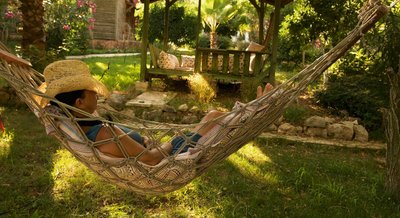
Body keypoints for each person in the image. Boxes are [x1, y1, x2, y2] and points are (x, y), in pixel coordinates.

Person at [41, 60, 273, 166]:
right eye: (92, 91)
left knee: (212, 115)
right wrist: (171, 142)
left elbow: (142, 152)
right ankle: (255, 110)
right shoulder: (103, 132)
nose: (97, 94)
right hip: (173, 157)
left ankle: (253, 109)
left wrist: (153, 143)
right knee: (213, 117)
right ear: (80, 102)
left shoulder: (92, 128)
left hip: (166, 151)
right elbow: (151, 159)